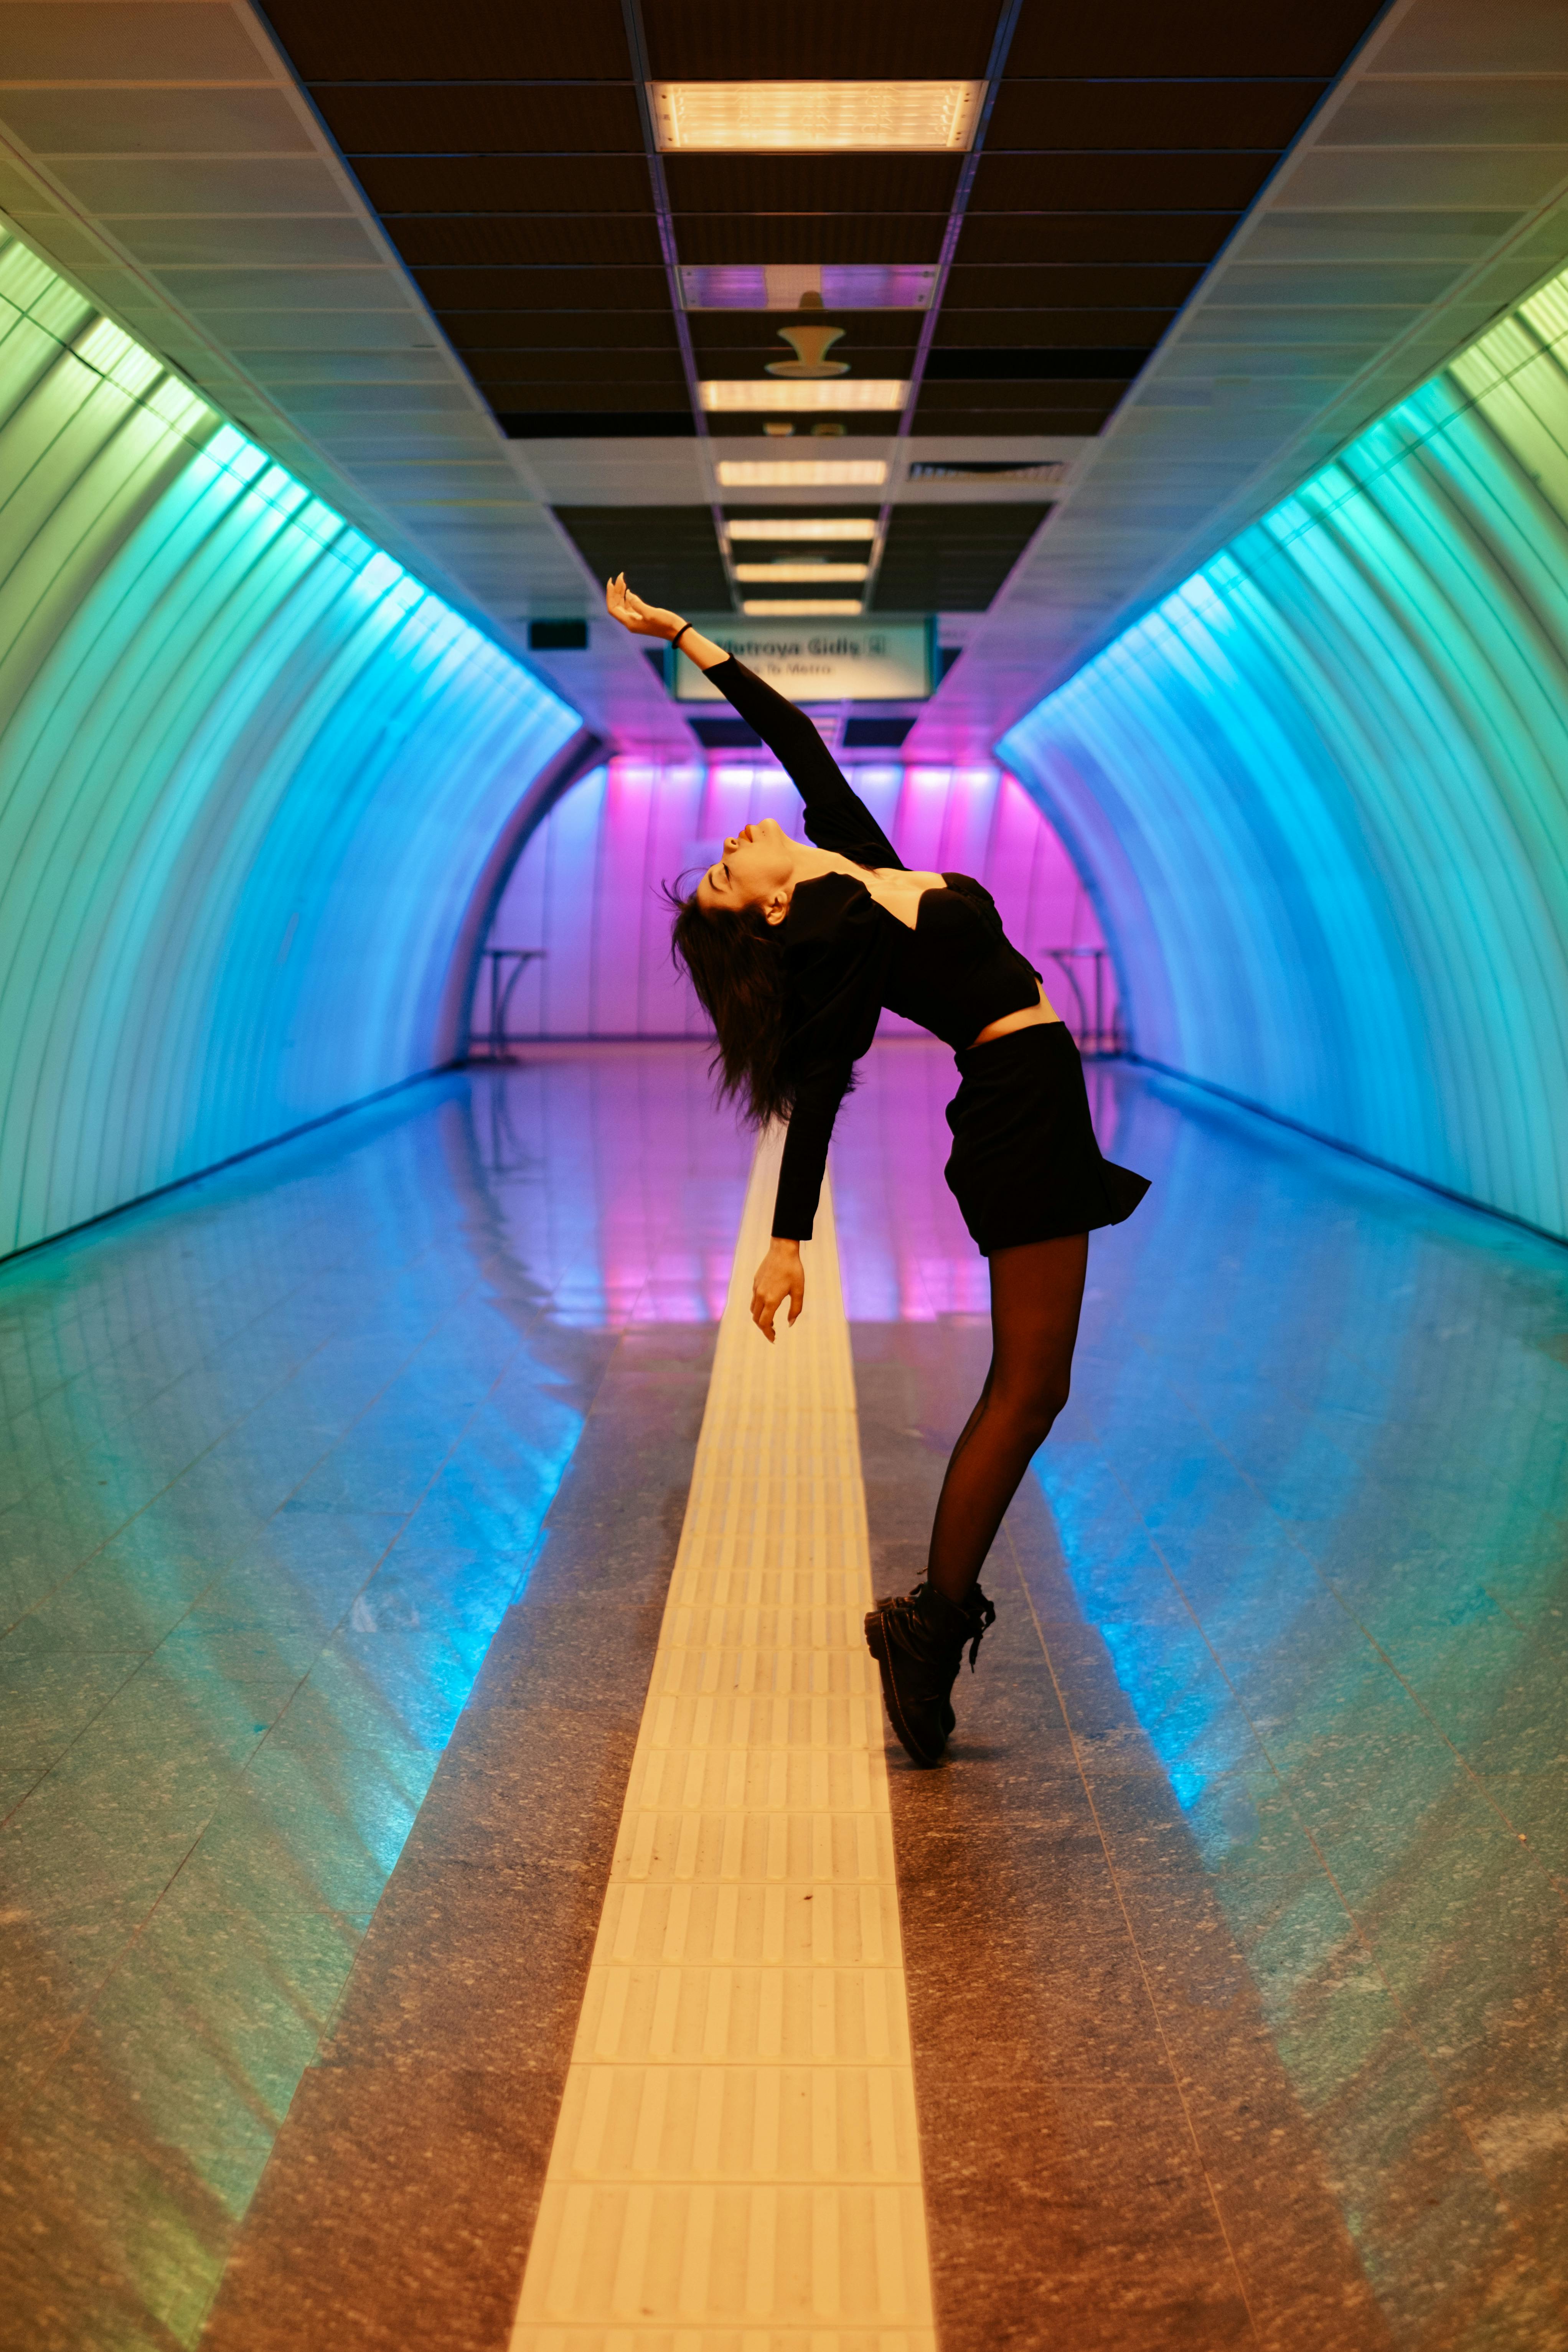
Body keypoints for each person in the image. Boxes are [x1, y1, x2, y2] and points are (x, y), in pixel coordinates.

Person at [605, 575, 1149, 1767]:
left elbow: (793, 737)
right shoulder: (833, 934)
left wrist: (684, 635)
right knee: (1030, 1384)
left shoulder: (850, 867)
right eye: (720, 877)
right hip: (1017, 1101)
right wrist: (787, 1237)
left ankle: (930, 1621)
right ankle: (929, 1620)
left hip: (1032, 1090)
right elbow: (822, 1087)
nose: (730, 849)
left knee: (1034, 1381)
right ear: (768, 911)